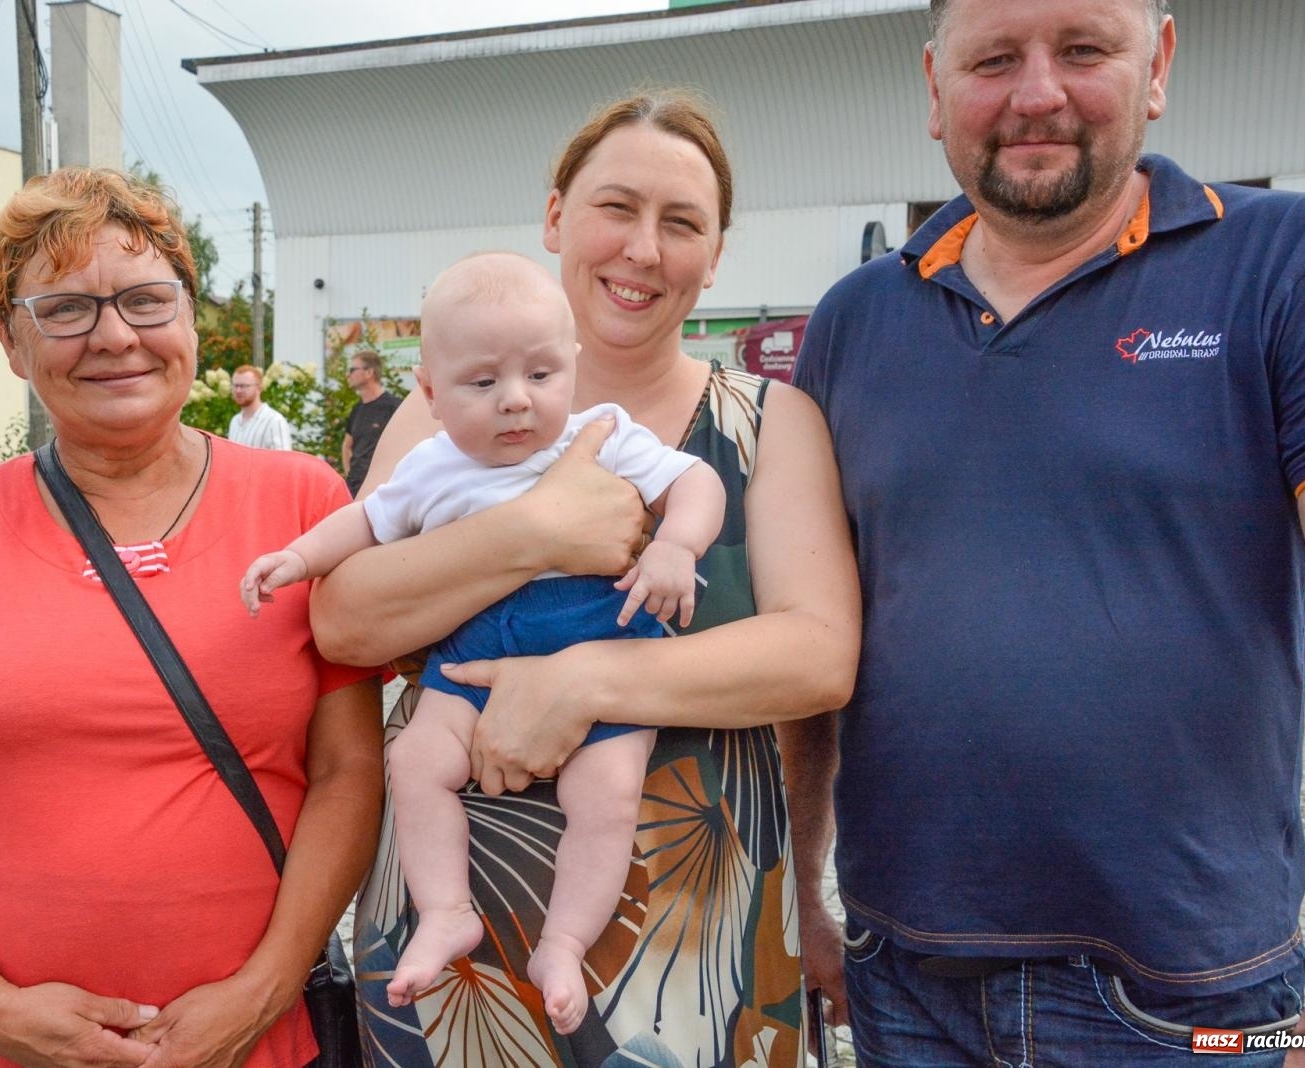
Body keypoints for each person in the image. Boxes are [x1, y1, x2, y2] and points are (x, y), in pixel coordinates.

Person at [788, 0, 1305, 1063]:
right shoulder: (855, 321)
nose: (1037, 92)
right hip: (902, 979)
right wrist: (803, 899)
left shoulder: (1298, 265)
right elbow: (812, 646)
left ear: (1158, 63)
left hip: (1178, 996)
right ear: (933, 88)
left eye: (1083, 48)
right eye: (994, 58)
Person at [313, 93, 862, 1067]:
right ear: (557, 216)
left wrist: (579, 688)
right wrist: (538, 531)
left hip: (703, 938)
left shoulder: (771, 422)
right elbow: (345, 623)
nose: (643, 250)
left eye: (681, 223)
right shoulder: (437, 418)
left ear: (716, 252)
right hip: (456, 943)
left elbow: (818, 655)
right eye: (617, 207)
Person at [0, 167, 383, 1068]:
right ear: (13, 342)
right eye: (66, 310)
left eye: (144, 300)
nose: (115, 336)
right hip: (9, 1049)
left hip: (258, 1041)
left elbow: (349, 769)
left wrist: (264, 989)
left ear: (192, 324)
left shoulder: (303, 506)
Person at [242, 250, 726, 1036]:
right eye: (482, 383)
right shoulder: (433, 466)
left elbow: (695, 482)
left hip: (602, 638)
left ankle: (564, 942)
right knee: (414, 760)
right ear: (430, 394)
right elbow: (366, 523)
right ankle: (445, 911)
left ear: (572, 366)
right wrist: (298, 559)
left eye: (540, 375)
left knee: (604, 799)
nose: (515, 402)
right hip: (473, 655)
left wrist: (677, 546)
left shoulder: (602, 434)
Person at [340, 349, 401, 495]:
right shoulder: (357, 409)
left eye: (353, 369)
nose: (348, 374)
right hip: (355, 488)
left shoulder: (394, 407)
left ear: (369, 373)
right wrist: (350, 475)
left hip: (382, 489)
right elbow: (347, 446)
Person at [226, 364, 294, 450]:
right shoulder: (235, 421)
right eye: (235, 386)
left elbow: (284, 461)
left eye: (243, 386)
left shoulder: (274, 421)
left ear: (259, 388)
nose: (238, 390)